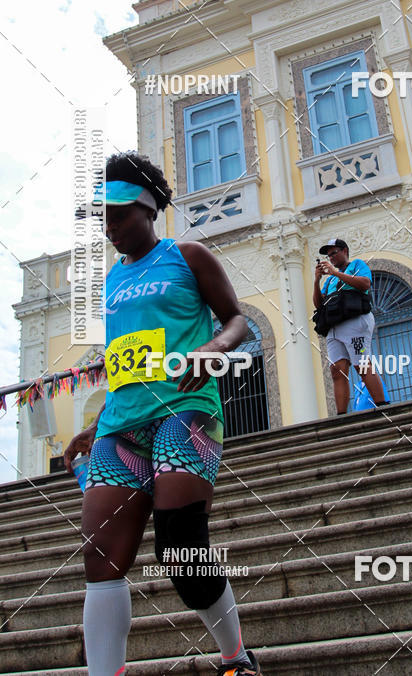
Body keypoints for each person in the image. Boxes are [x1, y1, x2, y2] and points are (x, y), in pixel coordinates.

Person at [64, 152, 260, 676]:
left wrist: (216, 346)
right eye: (104, 218)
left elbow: (237, 318)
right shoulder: (110, 281)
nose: (110, 228)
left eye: (120, 215)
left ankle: (236, 658)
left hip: (185, 409)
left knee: (181, 553)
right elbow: (124, 357)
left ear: (148, 209)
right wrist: (95, 420)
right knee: (100, 556)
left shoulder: (187, 255)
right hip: (120, 424)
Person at [313, 237, 388, 415]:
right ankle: (341, 416)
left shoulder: (357, 265)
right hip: (334, 325)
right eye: (328, 256)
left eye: (334, 253)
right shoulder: (329, 281)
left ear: (345, 251)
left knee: (361, 364)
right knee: (337, 370)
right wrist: (316, 280)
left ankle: (383, 406)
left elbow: (364, 284)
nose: (331, 258)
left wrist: (335, 272)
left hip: (355, 321)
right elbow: (319, 304)